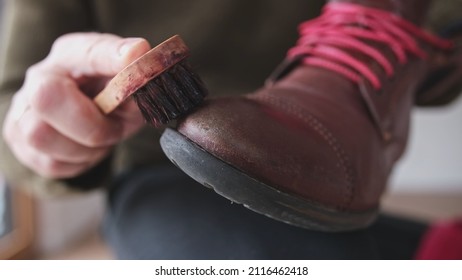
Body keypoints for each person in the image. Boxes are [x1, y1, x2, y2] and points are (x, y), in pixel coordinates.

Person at [0, 0, 461, 259]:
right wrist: (40, 127)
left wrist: (409, 31)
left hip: (332, 132)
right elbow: (12, 98)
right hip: (164, 164)